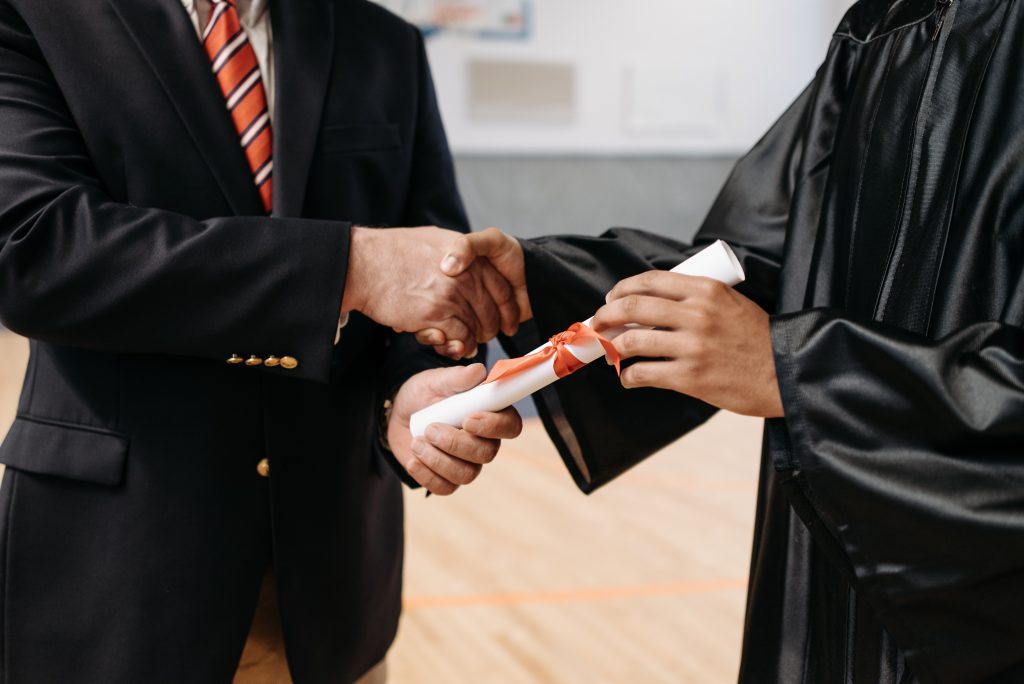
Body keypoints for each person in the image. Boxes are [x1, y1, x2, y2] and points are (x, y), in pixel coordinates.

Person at [435, 1, 1024, 681]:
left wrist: (801, 372)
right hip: (837, 535)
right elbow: (755, 261)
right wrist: (541, 281)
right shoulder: (884, 23)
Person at [0, 0, 522, 682]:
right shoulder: (34, 17)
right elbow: (35, 252)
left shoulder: (383, 41)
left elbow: (435, 274)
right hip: (114, 579)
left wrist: (411, 390)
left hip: (331, 589)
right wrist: (350, 266)